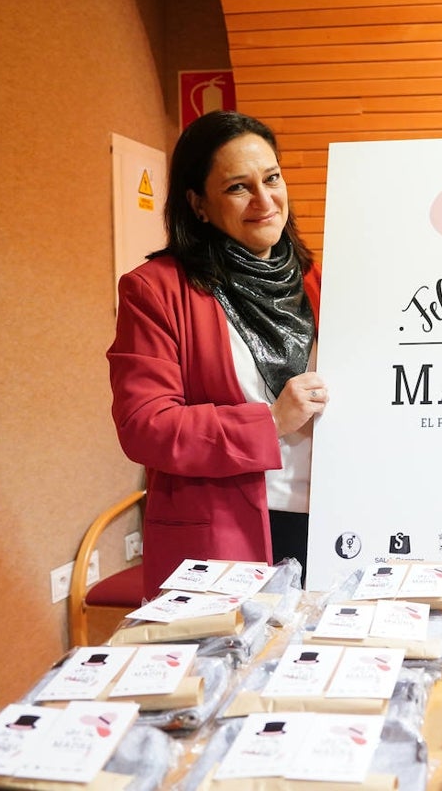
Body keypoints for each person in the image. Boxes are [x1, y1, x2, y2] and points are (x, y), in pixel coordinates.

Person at [108, 110, 327, 598]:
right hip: (225, 537)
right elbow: (144, 426)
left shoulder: (321, 282)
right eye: (238, 187)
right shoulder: (155, 291)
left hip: (339, 525)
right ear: (198, 204)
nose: (265, 200)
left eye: (272, 178)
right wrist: (270, 421)